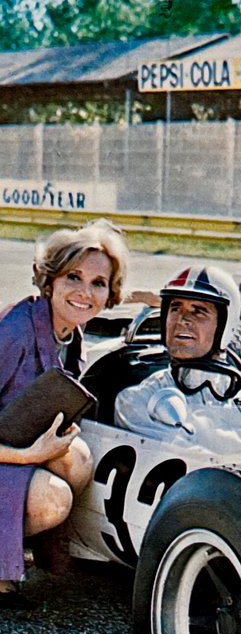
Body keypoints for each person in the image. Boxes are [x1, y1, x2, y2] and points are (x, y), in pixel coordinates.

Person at [0, 219, 130, 608]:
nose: (84, 292)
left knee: (78, 460)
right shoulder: (13, 331)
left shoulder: (69, 333)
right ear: (50, 280)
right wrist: (27, 457)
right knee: (52, 498)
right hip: (10, 452)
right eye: (73, 276)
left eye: (98, 283)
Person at [115, 265, 241, 455]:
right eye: (175, 308)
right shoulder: (137, 401)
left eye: (198, 311)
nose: (182, 319)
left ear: (225, 324)